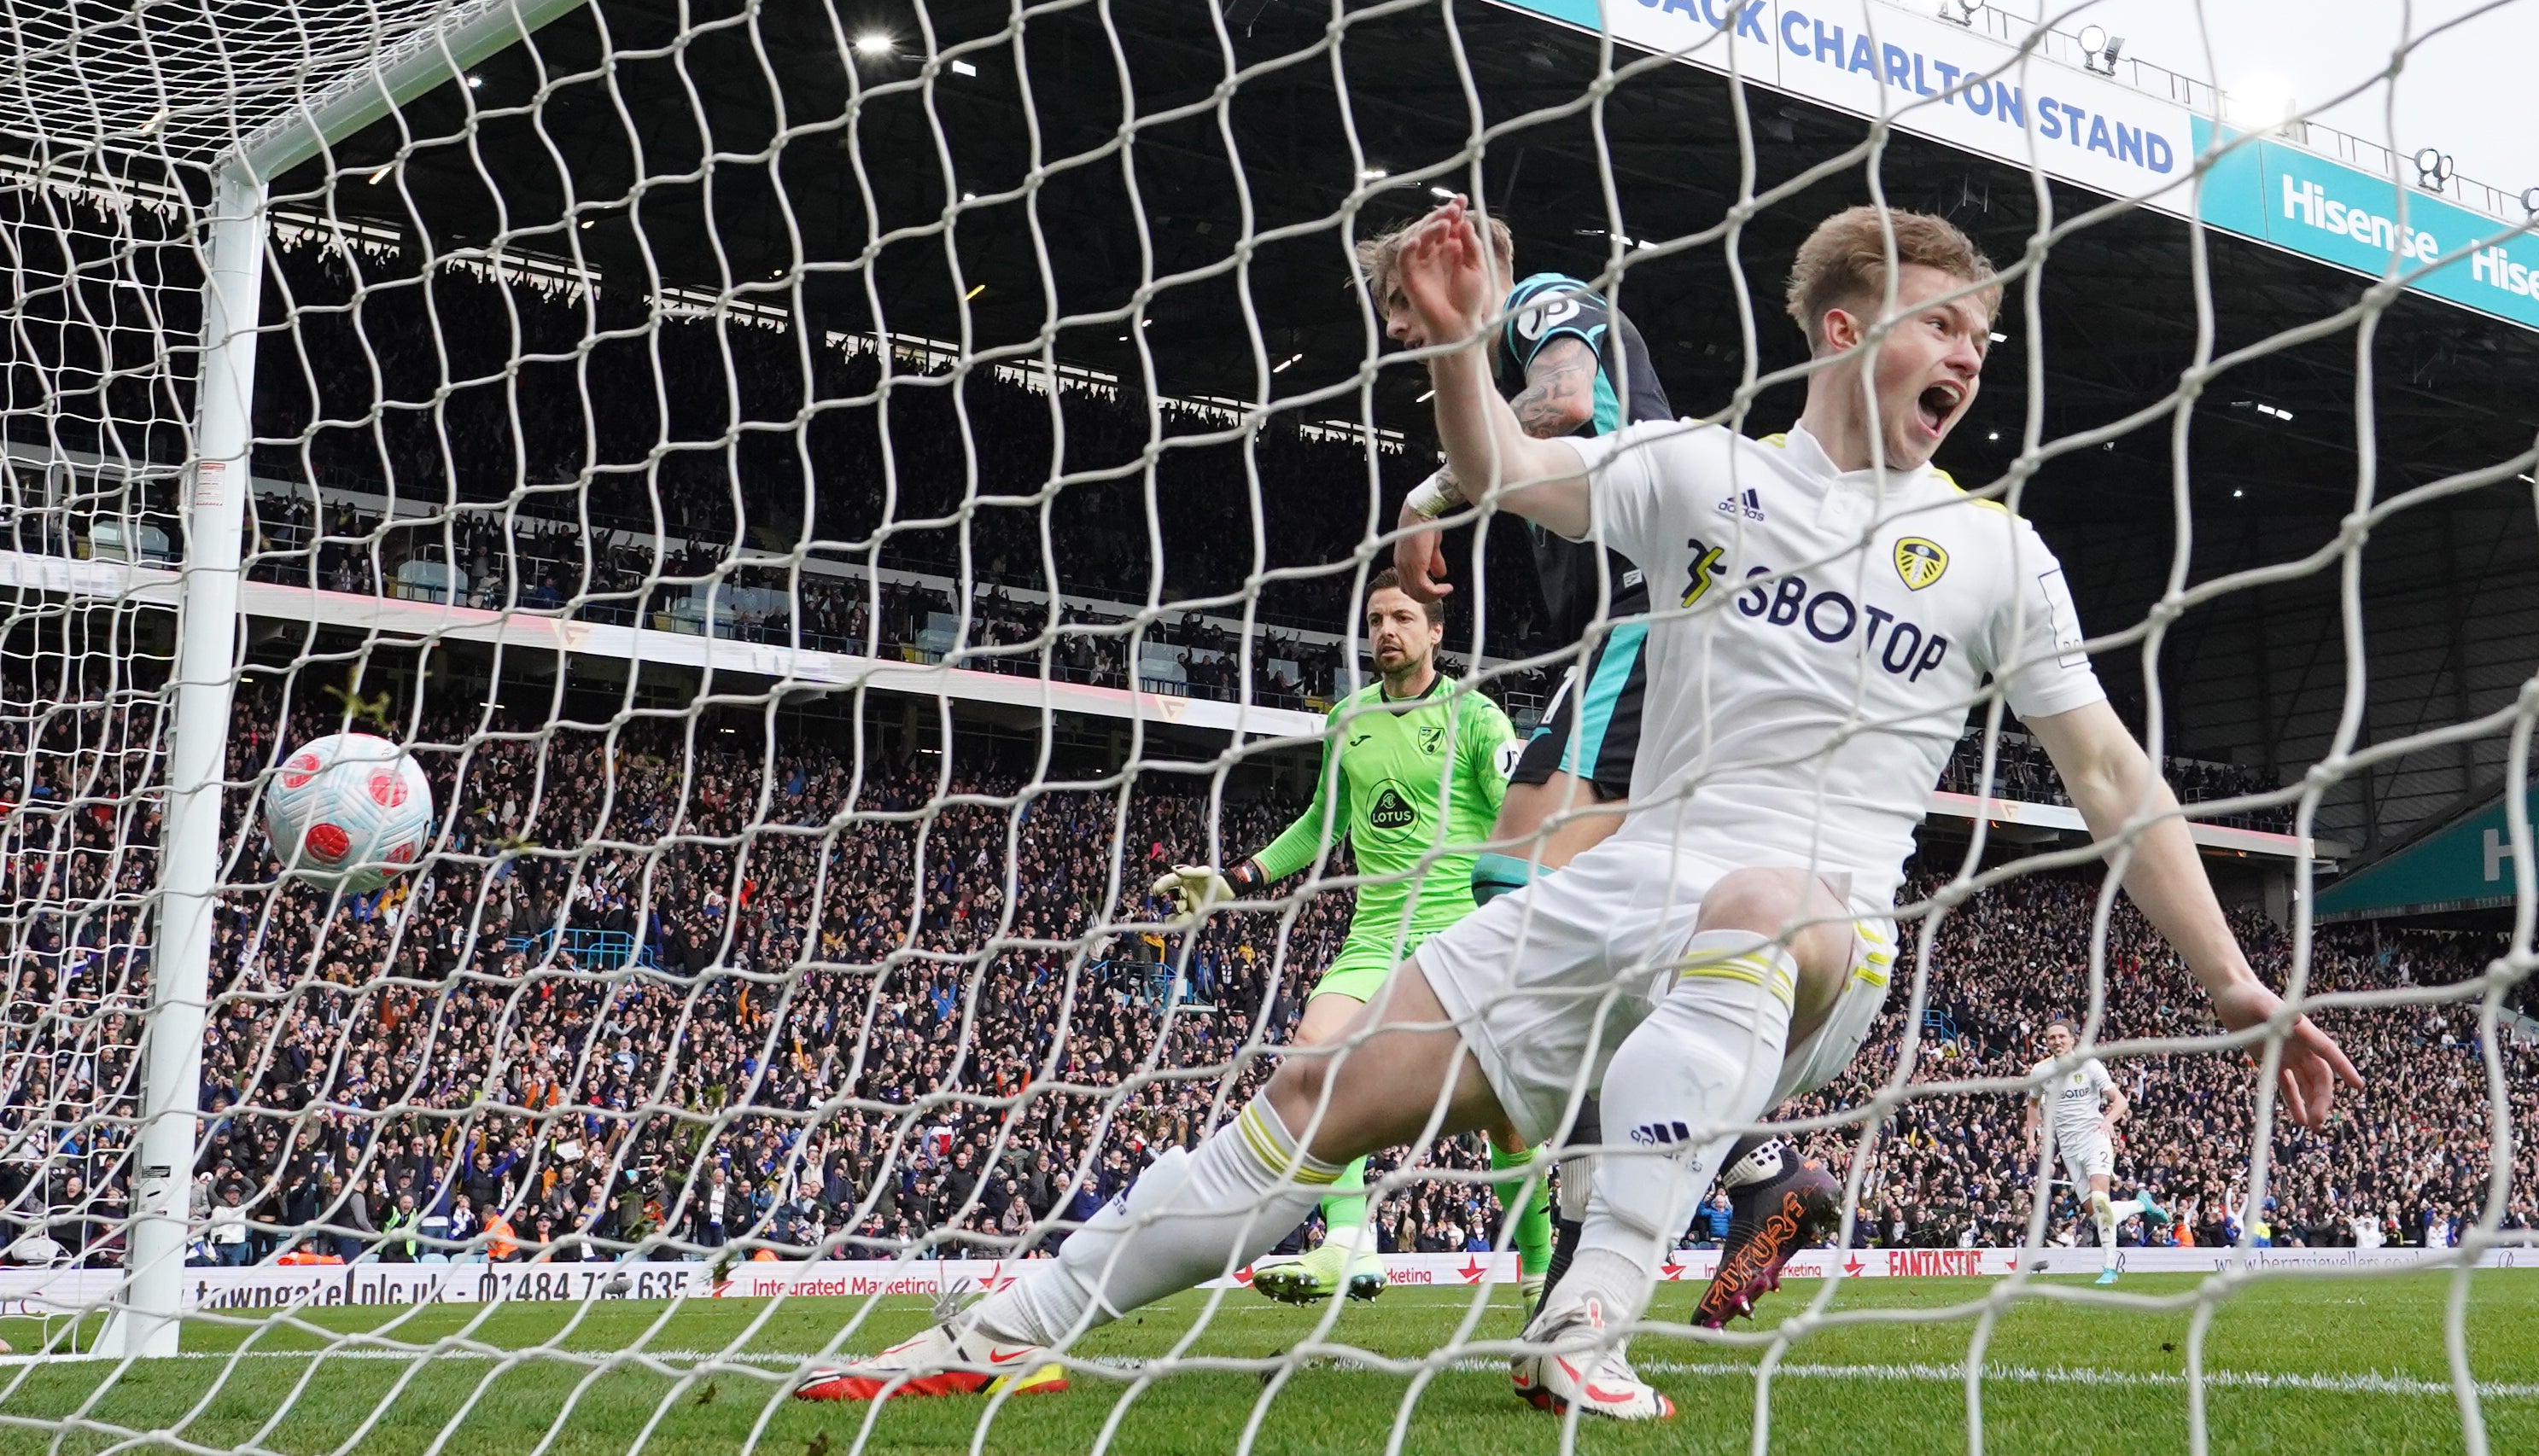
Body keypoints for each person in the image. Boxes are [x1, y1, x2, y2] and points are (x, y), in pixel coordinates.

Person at [792, 200, 2363, 1421]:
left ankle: (1584, 1317)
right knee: (1319, 1082)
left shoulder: (1997, 557)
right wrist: (1452, 342)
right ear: (1840, 324)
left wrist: (2231, 980)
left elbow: (2109, 776)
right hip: (1621, 892)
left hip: (1815, 931)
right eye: (1941, 324)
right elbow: (1493, 470)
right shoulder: (1696, 474)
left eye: (1981, 343)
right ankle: (995, 1329)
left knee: (1762, 904)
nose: (1968, 358)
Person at [1363, 211, 1842, 1331]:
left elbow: (1570, 400)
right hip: (1657, 632)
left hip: (1654, 618)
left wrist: (1427, 495)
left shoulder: (1541, 302)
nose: (1395, 323)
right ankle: (1714, 1185)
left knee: (1518, 900)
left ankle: (1704, 1186)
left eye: (1396, 295)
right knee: (1586, 938)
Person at [1143, 571, 1545, 1311]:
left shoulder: (1477, 716)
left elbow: (1519, 820)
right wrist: (1236, 876)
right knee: (1317, 1058)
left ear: (1434, 632)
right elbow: (1321, 825)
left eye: (1401, 617)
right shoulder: (1350, 718)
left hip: (1462, 931)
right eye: (1375, 619)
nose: (1385, 630)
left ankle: (1538, 1270)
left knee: (1506, 1117)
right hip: (1374, 933)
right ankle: (1350, 1240)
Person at [2024, 1017, 2164, 1284]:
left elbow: (2120, 1101)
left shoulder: (2089, 1065)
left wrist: (2107, 1121)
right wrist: (2031, 1138)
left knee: (2101, 1201)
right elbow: (2033, 1105)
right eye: (2052, 1037)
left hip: (2094, 1138)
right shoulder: (2040, 1071)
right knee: (2098, 1215)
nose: (2057, 1041)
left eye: (2062, 1036)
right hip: (2068, 1148)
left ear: (2072, 1039)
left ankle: (2110, 1269)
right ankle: (2140, 1204)